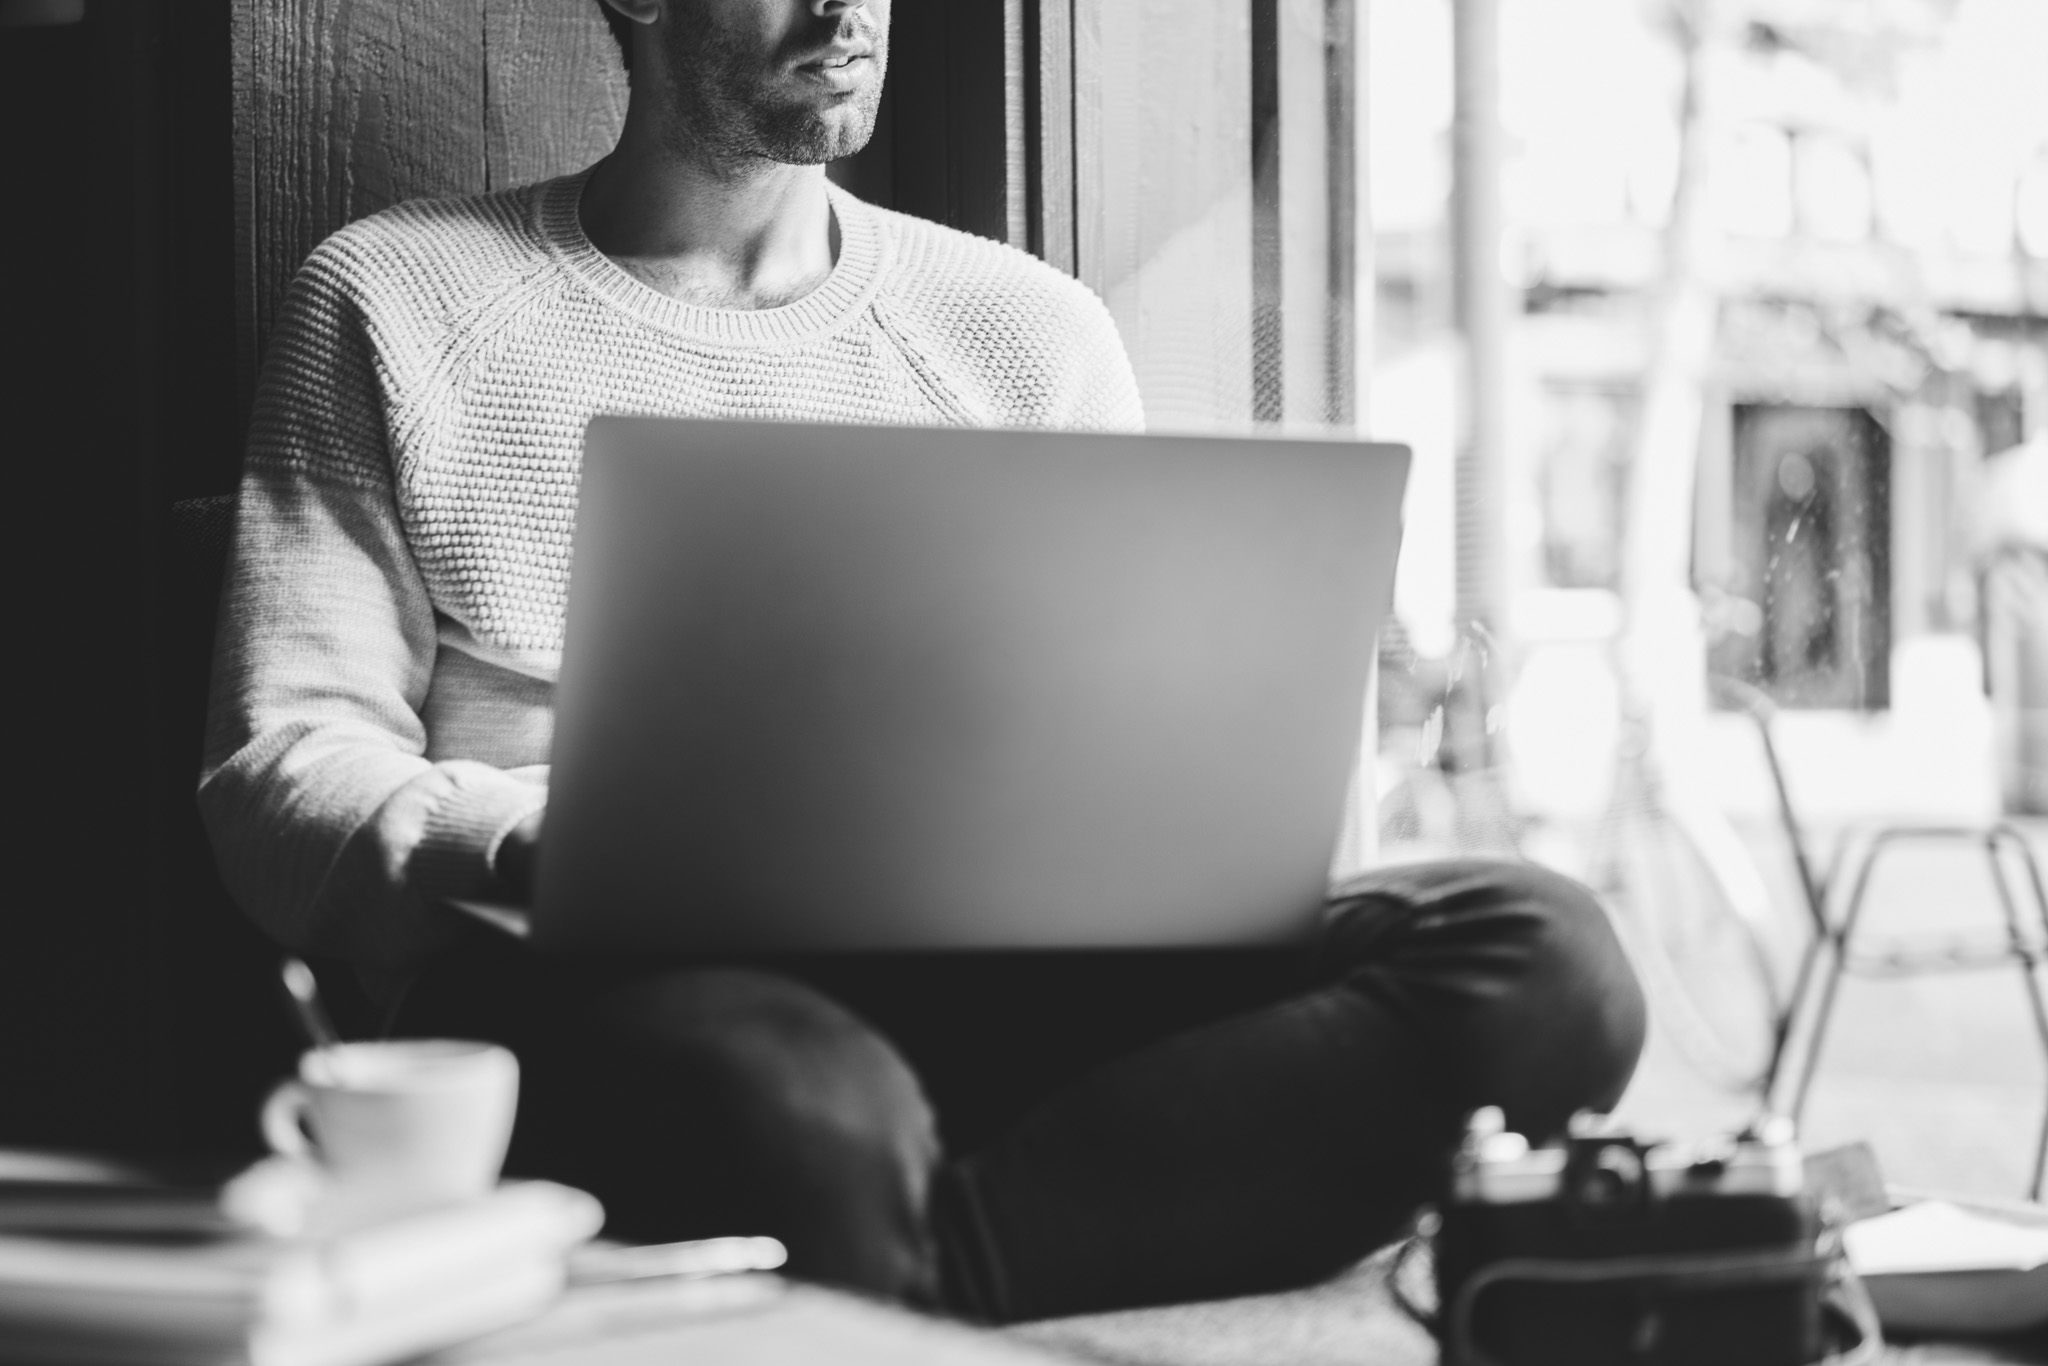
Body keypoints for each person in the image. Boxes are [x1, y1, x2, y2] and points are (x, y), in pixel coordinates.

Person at [201, 0, 1645, 1322]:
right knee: (802, 1108)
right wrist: (532, 840)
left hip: (994, 976)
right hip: (603, 974)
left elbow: (1118, 747)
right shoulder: (396, 298)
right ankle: (953, 1234)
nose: (849, 11)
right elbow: (284, 769)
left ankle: (906, 1271)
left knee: (1546, 957)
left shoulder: (1027, 334)